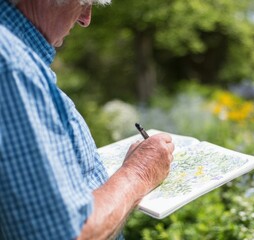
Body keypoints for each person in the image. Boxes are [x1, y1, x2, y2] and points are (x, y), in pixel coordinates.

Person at [0, 0, 175, 239]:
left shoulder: (19, 60)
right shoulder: (13, 67)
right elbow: (65, 232)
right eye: (84, 3)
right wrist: (140, 172)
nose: (86, 19)